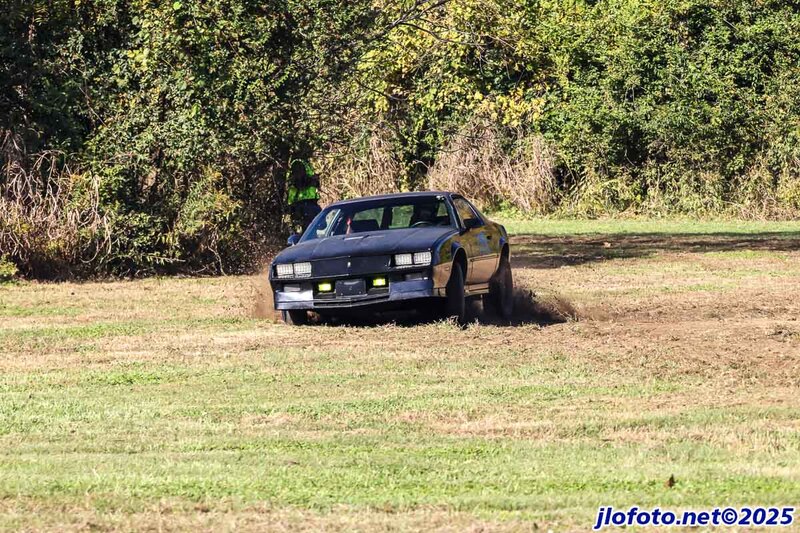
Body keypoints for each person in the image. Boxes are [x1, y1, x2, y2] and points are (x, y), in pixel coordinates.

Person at [286, 159, 322, 233]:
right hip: (301, 205)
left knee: (317, 226)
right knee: (307, 229)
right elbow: (300, 184)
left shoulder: (302, 166)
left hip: (309, 204)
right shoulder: (299, 168)